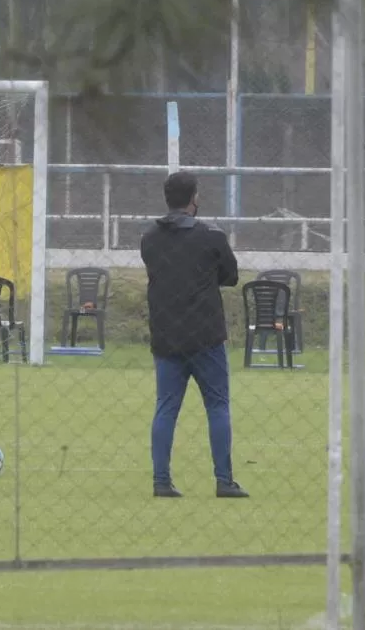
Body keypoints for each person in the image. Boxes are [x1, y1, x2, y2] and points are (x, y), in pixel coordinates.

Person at [140, 171, 248, 499]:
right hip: (205, 335)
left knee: (166, 407)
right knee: (217, 405)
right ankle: (224, 480)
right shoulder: (211, 236)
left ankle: (161, 481)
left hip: (167, 335)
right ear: (194, 198)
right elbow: (231, 276)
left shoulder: (150, 238)